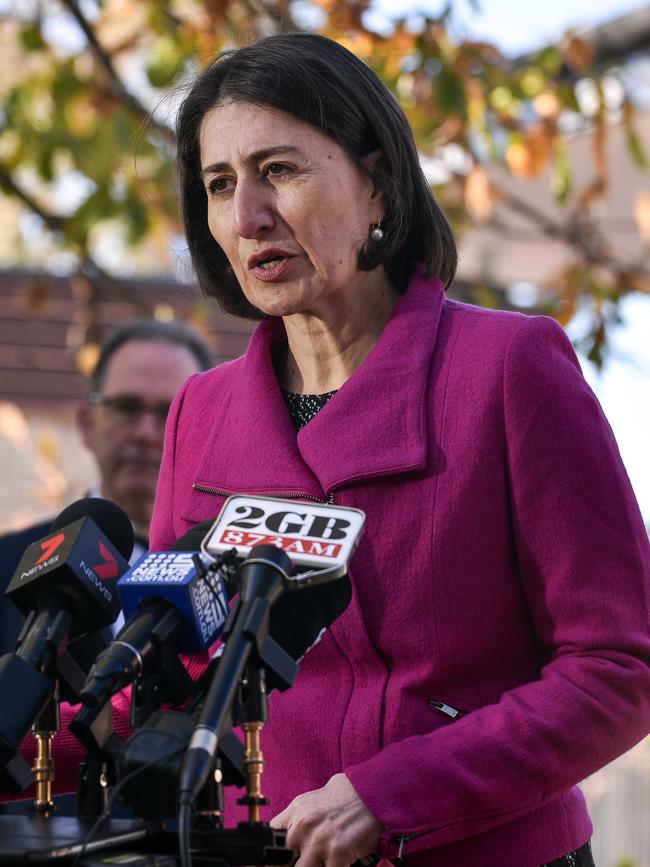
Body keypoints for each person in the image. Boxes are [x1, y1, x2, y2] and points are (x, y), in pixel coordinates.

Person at [146, 32, 650, 867]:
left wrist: (390, 793)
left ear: (378, 182)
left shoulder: (507, 369)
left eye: (279, 170)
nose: (247, 217)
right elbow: (169, 663)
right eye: (219, 184)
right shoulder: (198, 411)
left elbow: (618, 666)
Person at [0, 318, 213, 654]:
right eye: (126, 407)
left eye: (171, 413)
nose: (145, 433)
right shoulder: (8, 562)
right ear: (87, 423)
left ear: (206, 437)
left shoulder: (231, 586)